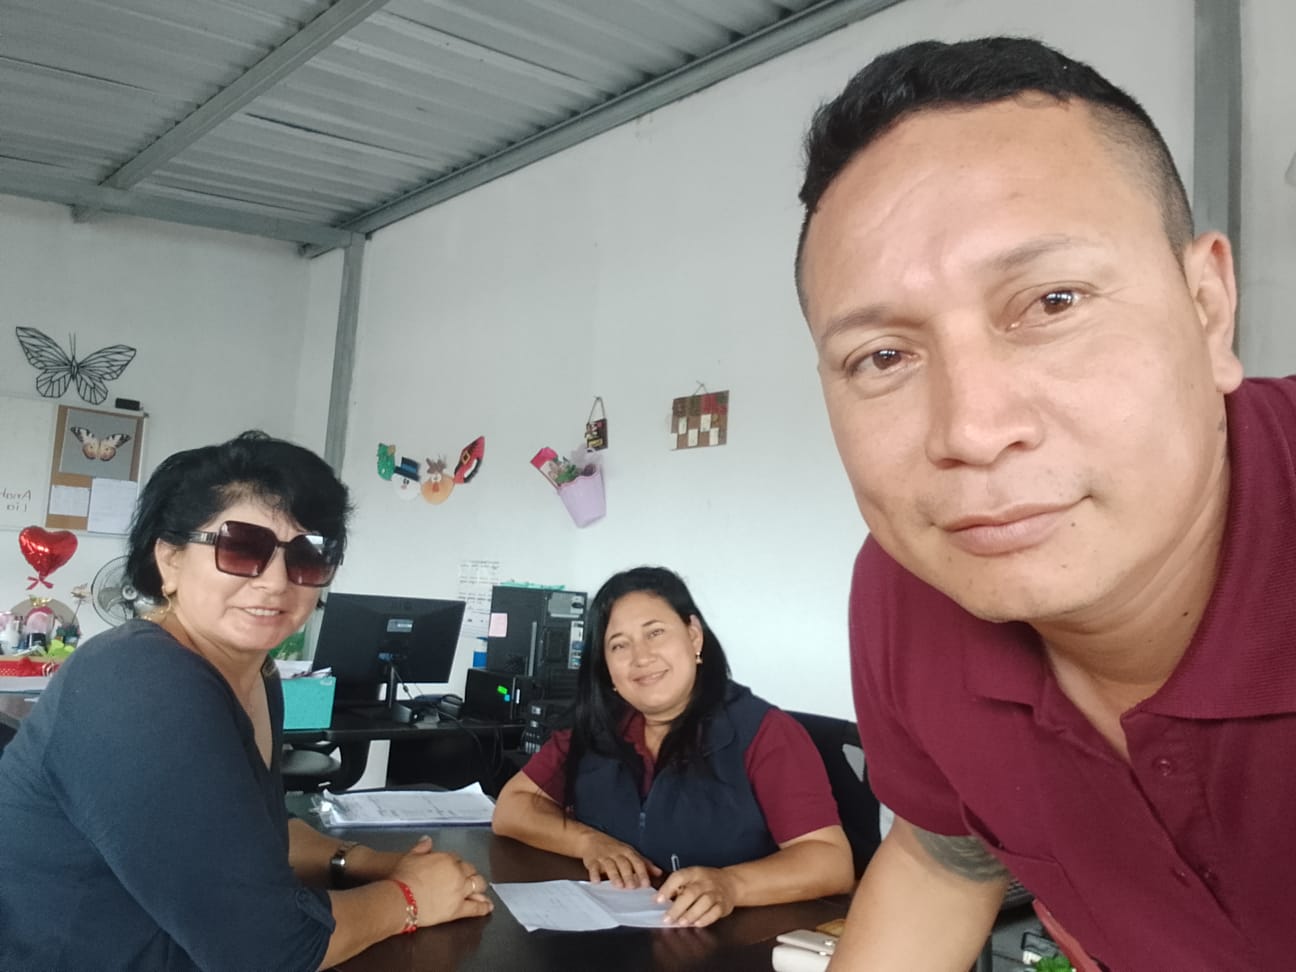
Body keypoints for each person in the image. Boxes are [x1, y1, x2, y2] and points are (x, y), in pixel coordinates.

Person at [794, 36, 1295, 970]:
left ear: (1208, 307)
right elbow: (946, 857)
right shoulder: (909, 590)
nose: (972, 430)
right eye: (883, 356)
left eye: (1053, 301)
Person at [0, 432, 492, 971]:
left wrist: (368, 862)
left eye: (309, 555)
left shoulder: (257, 674)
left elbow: (249, 837)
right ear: (170, 561)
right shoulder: (138, 680)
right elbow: (266, 953)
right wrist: (411, 899)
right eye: (241, 548)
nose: (276, 582)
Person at [492, 566, 854, 927]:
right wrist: (589, 842)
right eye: (619, 645)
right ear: (606, 667)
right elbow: (512, 807)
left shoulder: (765, 733)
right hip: (613, 938)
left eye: (655, 633)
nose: (641, 657)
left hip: (733, 941)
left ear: (693, 636)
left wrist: (732, 884)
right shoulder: (597, 728)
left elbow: (830, 861)